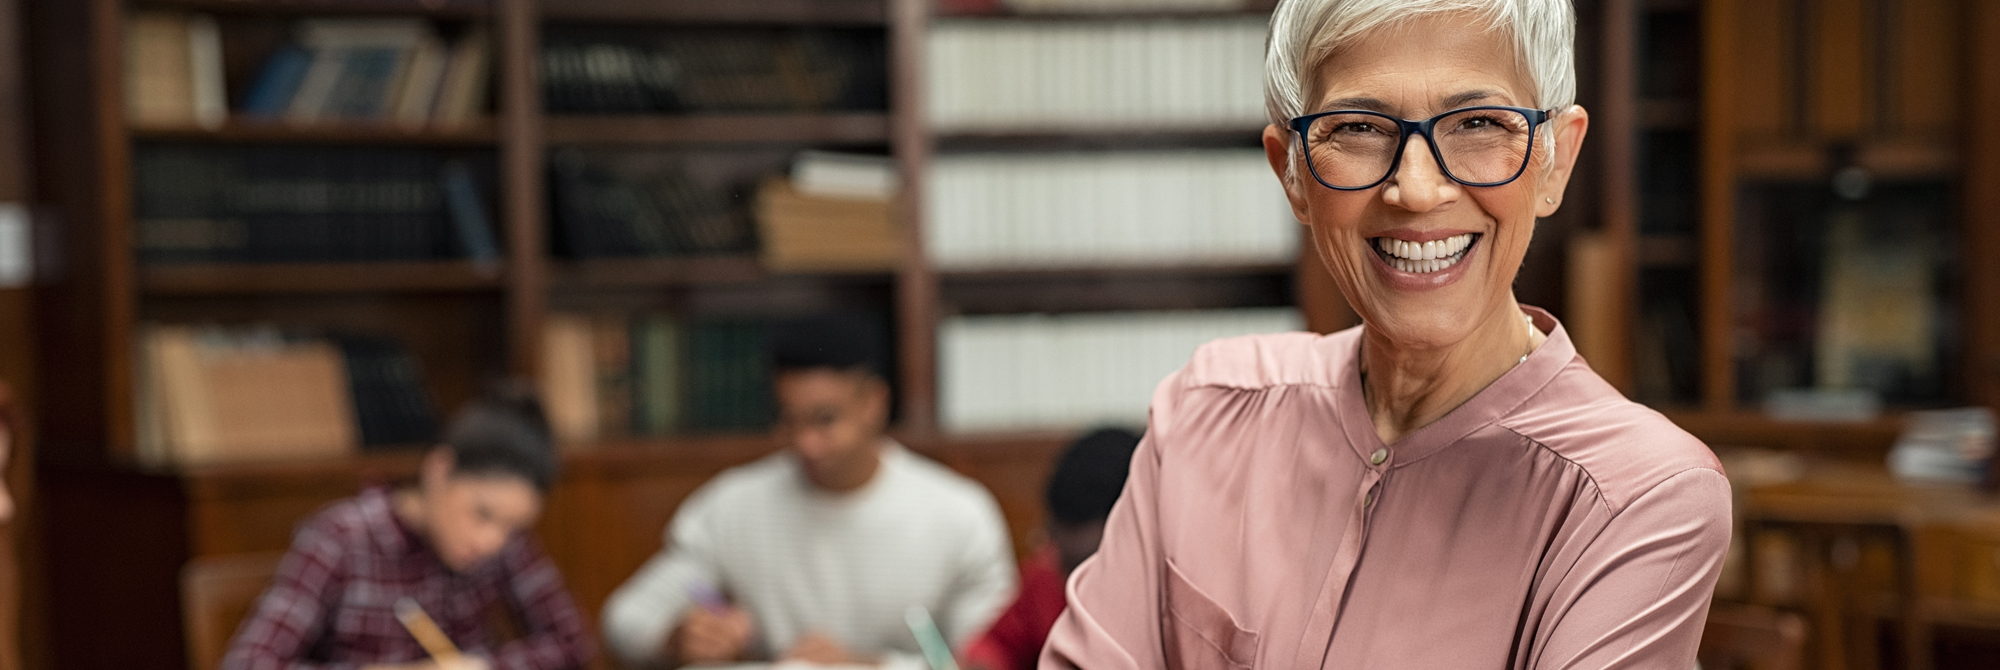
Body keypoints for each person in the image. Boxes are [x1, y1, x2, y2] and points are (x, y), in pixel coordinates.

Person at [1041, 1, 1731, 669]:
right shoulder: (1205, 410)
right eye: (1357, 130)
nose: (1417, 189)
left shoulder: (1640, 495)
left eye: (1480, 122)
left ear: (1554, 161)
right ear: (1292, 173)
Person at [602, 315, 1016, 668]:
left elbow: (992, 658)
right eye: (789, 421)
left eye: (825, 420)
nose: (806, 443)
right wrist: (673, 640)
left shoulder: (959, 513)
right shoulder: (732, 506)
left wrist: (870, 665)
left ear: (874, 403)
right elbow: (625, 619)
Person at [223, 385, 594, 670]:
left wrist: (484, 666)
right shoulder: (341, 537)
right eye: (482, 513)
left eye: (513, 528)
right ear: (440, 470)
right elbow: (249, 663)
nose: (490, 541)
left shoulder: (505, 545)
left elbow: (572, 643)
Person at [964, 428, 1139, 670]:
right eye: (1054, 530)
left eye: (1075, 527)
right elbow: (995, 648)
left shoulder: (1170, 601)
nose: (1055, 547)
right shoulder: (1048, 572)